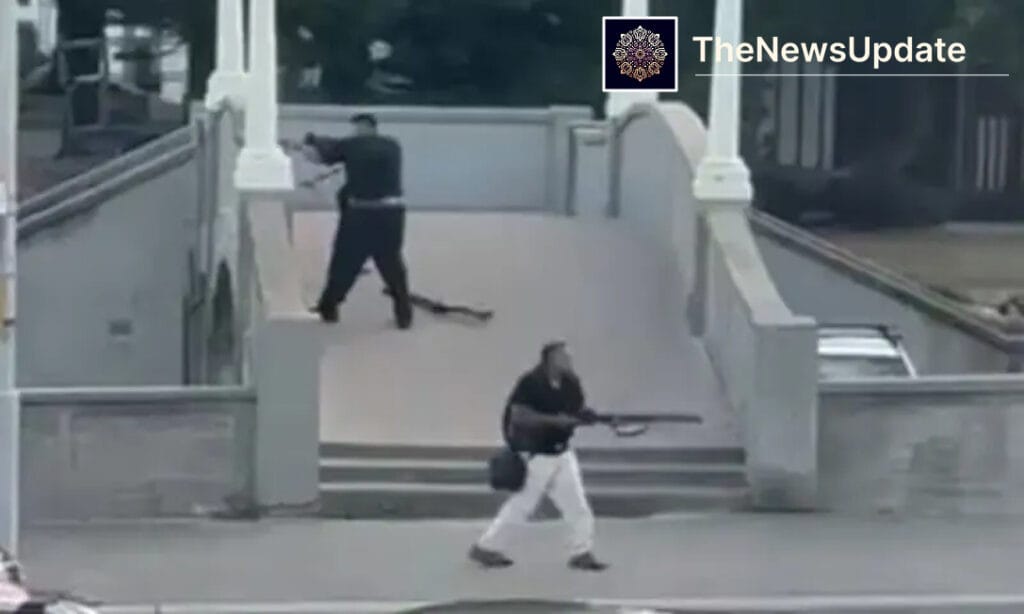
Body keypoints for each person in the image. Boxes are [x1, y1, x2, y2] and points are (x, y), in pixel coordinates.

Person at [469, 342, 608, 572]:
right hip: (538, 455)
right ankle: (485, 547)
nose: (568, 359)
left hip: (562, 452)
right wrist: (556, 421)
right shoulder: (531, 383)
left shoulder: (570, 383)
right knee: (522, 505)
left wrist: (587, 416)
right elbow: (519, 416)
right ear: (550, 359)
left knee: (577, 506)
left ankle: (581, 552)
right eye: (563, 355)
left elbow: (575, 411)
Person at [298, 113, 413, 328]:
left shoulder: (353, 145)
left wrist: (309, 142)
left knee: (344, 261)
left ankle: (328, 307)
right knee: (391, 263)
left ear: (362, 127)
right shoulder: (393, 146)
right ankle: (404, 314)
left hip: (361, 213)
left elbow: (325, 153)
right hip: (392, 213)